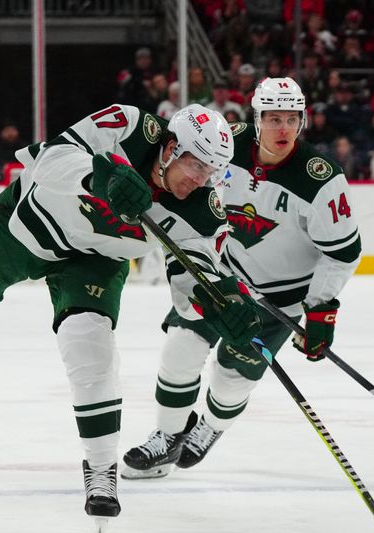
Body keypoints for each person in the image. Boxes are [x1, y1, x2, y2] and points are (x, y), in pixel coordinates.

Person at [0, 103, 261, 526]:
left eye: (212, 172)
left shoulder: (201, 210)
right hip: (28, 227)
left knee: (89, 350)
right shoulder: (129, 125)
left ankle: (101, 469)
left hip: (96, 261)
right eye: (195, 164)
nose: (199, 179)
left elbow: (189, 290)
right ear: (170, 146)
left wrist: (220, 306)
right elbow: (50, 158)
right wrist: (96, 175)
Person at [121, 78, 361, 479]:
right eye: (273, 118)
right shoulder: (224, 146)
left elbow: (342, 252)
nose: (282, 128)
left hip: (278, 300)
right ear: (257, 117)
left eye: (291, 119)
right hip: (219, 277)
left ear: (303, 122)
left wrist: (322, 310)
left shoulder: (321, 178)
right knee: (180, 348)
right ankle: (167, 436)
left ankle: (211, 427)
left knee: (232, 380)